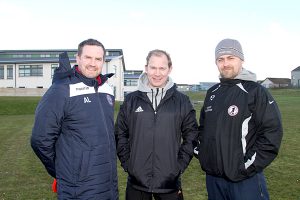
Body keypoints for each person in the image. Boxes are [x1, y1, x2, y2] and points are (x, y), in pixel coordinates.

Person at [195, 38, 283, 200]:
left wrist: (245, 167)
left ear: (241, 59)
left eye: (231, 58)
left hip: (245, 179)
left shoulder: (256, 92)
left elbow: (272, 134)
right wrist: (204, 155)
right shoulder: (212, 93)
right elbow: (203, 129)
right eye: (220, 59)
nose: (225, 63)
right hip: (214, 179)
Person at [31, 38, 118, 200]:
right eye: (88, 57)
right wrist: (62, 171)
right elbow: (40, 140)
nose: (93, 63)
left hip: (108, 184)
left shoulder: (107, 89)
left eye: (98, 59)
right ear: (78, 59)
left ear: (103, 61)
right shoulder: (61, 90)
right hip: (78, 189)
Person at [115, 49, 199, 200]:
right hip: (137, 182)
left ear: (169, 69)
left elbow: (191, 135)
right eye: (153, 67)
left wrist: (178, 166)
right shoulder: (131, 101)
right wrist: (129, 164)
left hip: (169, 182)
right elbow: (120, 134)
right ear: (146, 68)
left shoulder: (182, 101)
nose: (157, 73)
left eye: (162, 68)